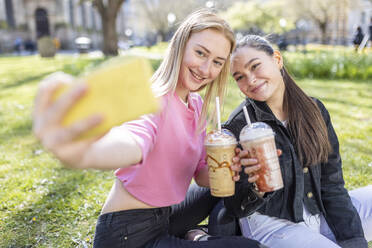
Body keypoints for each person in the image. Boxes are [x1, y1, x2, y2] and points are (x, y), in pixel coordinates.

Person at [32, 9, 266, 248]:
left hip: (163, 216)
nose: (206, 69)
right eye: (200, 53)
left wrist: (228, 167)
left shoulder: (195, 105)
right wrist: (88, 153)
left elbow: (201, 175)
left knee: (220, 189)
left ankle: (196, 236)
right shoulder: (154, 101)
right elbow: (133, 140)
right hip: (128, 235)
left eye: (217, 62)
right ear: (180, 46)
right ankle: (198, 237)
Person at [211, 34, 371, 248]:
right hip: (272, 226)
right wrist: (257, 187)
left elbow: (332, 185)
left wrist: (353, 241)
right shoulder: (239, 128)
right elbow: (234, 208)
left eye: (255, 66)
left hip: (317, 212)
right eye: (239, 77)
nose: (250, 80)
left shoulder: (314, 110)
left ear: (277, 59)